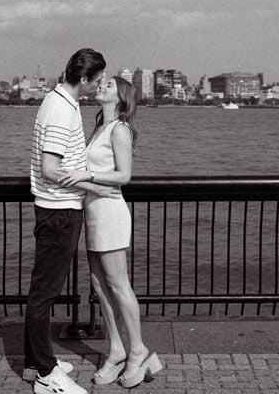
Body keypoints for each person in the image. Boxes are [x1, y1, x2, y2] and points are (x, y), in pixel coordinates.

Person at [56, 75, 162, 388]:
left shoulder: (120, 129)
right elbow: (94, 179)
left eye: (109, 86)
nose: (101, 86)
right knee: (99, 285)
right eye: (101, 83)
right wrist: (75, 180)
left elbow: (123, 175)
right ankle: (116, 351)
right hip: (93, 212)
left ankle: (138, 351)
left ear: (122, 97)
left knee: (118, 283)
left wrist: (82, 174)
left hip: (111, 213)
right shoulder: (101, 127)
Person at [23, 47, 116, 394]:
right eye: (97, 79)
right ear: (84, 77)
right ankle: (46, 374)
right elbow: (49, 168)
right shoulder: (62, 110)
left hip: (56, 208)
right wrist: (89, 179)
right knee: (45, 291)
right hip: (59, 209)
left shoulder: (56, 100)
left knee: (43, 288)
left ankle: (36, 361)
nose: (99, 86)